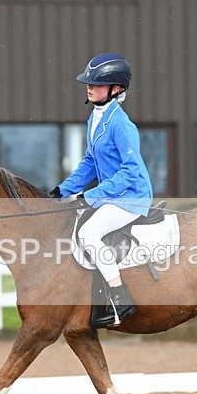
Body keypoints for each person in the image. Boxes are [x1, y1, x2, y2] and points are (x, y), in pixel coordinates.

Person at [49, 53, 153, 326]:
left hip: (131, 196)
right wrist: (63, 190)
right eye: (89, 83)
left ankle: (120, 297)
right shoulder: (95, 119)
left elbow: (129, 172)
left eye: (96, 84)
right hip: (112, 195)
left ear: (115, 89)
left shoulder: (122, 125)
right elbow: (90, 163)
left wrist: (91, 195)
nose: (89, 87)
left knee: (89, 233)